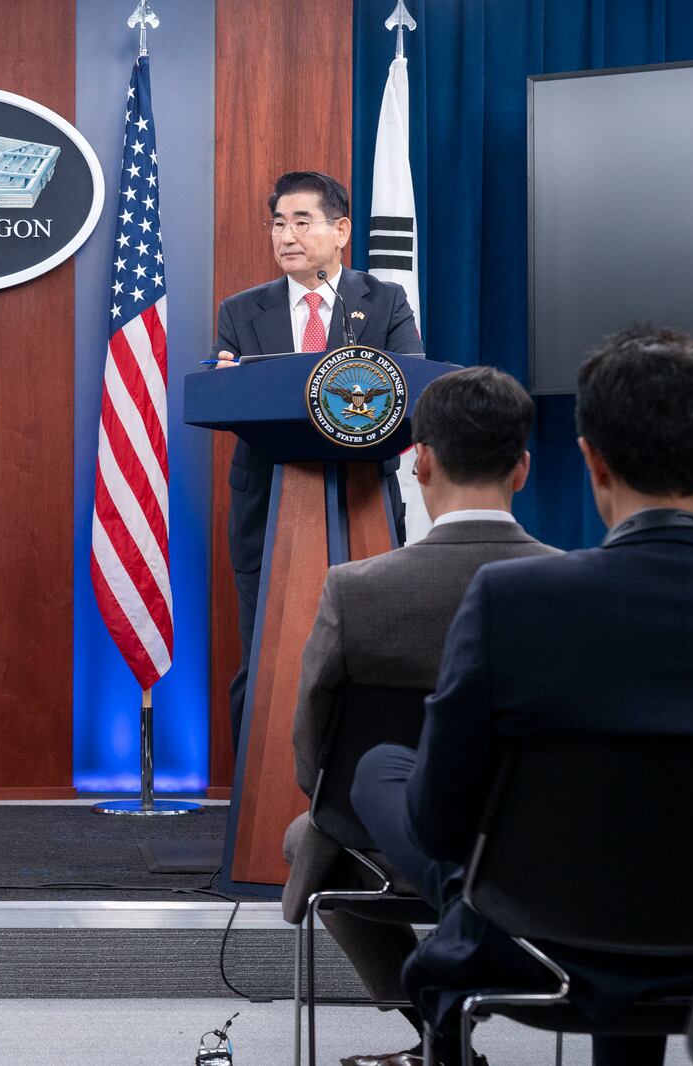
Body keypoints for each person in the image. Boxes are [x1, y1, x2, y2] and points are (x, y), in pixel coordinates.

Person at [351, 326, 693, 1066]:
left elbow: (439, 820)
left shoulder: (513, 603)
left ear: (591, 461)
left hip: (537, 944)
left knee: (386, 768)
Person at [282, 367, 556, 1066]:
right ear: (522, 469)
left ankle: (436, 1030)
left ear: (421, 459)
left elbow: (313, 762)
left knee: (313, 835)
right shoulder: (571, 589)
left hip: (392, 848)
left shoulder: (357, 591)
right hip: (539, 855)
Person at [211, 171, 423, 765]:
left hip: (360, 500)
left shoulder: (384, 301)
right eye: (278, 222)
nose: (287, 235)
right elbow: (227, 399)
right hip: (268, 503)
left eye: (302, 221)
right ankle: (253, 809)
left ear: (342, 230)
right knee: (267, 659)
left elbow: (410, 385)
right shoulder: (241, 310)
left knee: (365, 656)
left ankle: (360, 802)